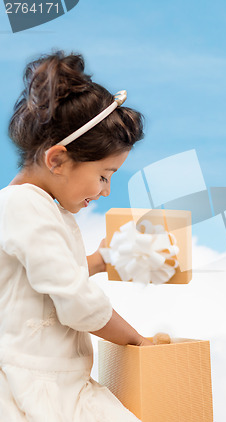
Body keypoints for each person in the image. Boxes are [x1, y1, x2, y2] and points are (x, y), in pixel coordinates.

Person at [0, 50, 153, 421]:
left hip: (65, 381)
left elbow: (47, 284)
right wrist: (139, 342)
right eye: (104, 175)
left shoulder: (42, 207)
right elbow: (76, 302)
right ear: (57, 160)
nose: (106, 191)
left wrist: (98, 262)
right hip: (33, 386)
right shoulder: (22, 207)